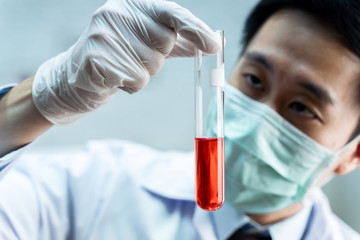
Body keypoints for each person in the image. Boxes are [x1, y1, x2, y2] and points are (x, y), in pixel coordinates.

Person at [0, 0, 360, 239]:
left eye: (301, 107)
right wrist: (39, 98)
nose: (255, 121)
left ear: (352, 155)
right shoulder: (96, 187)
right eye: (253, 79)